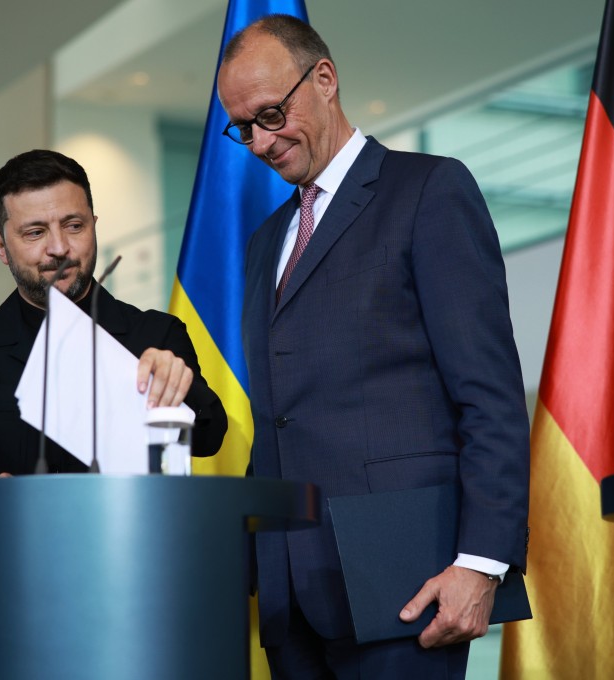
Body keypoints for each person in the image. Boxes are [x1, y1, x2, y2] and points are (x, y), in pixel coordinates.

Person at [216, 15, 530, 679]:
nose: (261, 143)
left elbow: (489, 396)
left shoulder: (430, 190)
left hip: (407, 584)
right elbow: (280, 419)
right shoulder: (265, 242)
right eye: (244, 127)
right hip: (290, 598)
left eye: (271, 114)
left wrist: (481, 564)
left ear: (325, 79)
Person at [0, 150, 226, 480]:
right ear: (1, 247)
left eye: (74, 226)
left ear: (94, 227)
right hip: (8, 515)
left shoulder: (157, 334)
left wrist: (178, 388)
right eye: (35, 232)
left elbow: (209, 435)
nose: (59, 248)